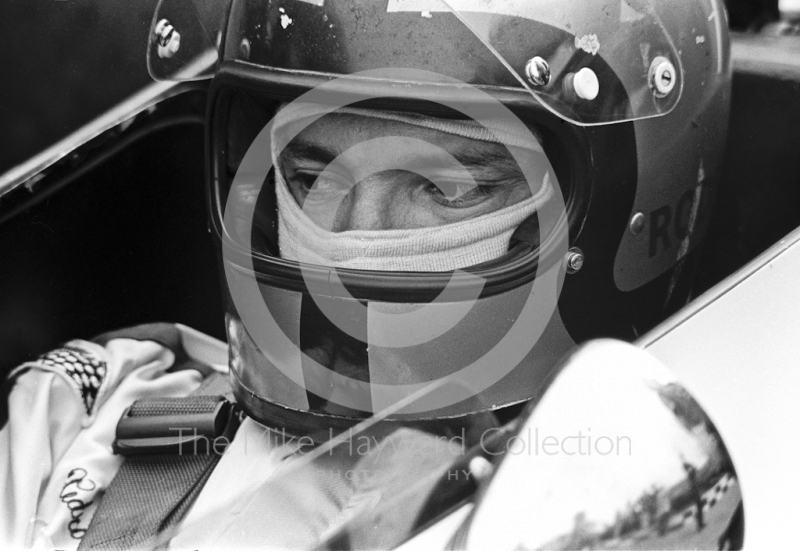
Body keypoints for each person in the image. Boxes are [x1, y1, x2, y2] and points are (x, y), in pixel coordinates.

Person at [0, 1, 731, 549]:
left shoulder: (647, 500)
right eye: (313, 173)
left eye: (443, 187)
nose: (351, 241)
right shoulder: (84, 416)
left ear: (627, 211)